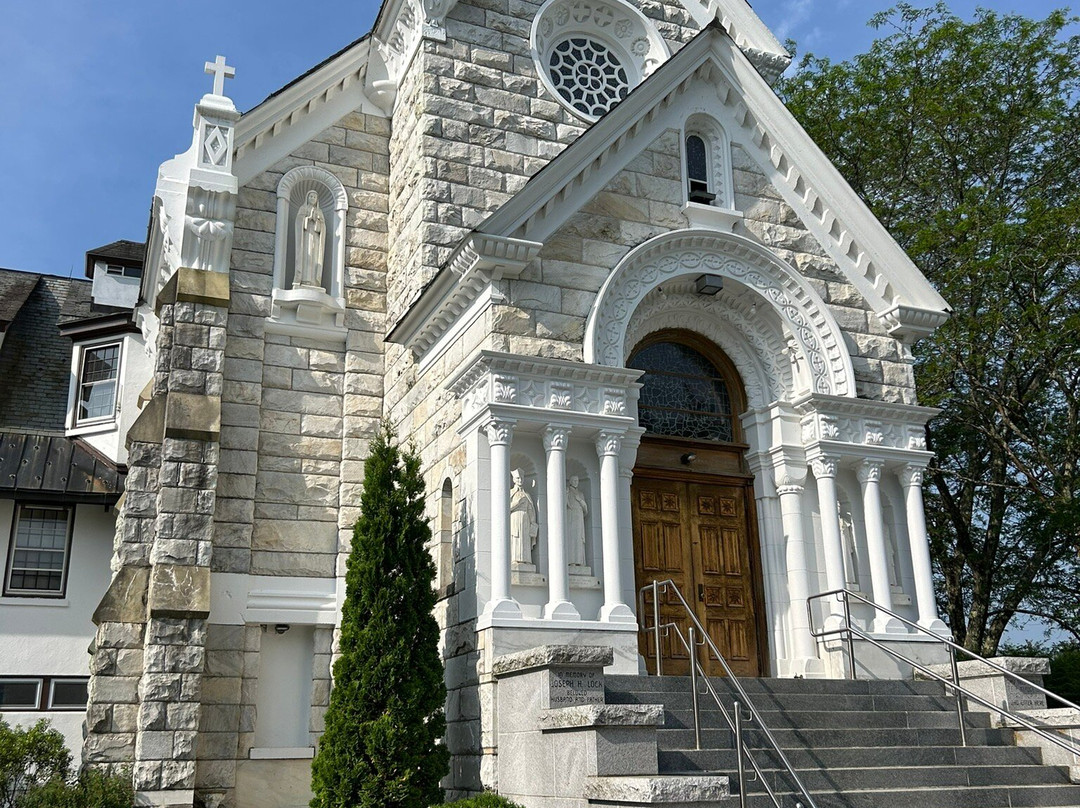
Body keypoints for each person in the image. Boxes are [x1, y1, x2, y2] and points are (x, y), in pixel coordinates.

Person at [510, 469, 538, 566]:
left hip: (526, 518)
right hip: (515, 517)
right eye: (518, 478)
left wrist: (533, 522)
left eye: (521, 478)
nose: (520, 480)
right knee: (516, 537)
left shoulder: (527, 494)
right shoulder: (511, 493)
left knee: (525, 538)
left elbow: (530, 509)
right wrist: (517, 503)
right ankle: (515, 559)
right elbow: (506, 508)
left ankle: (526, 560)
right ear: (514, 479)